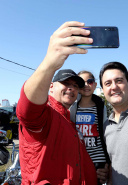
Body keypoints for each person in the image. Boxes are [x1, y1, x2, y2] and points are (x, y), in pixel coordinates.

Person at [16, 21, 98, 185]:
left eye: (75, 86)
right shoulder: (45, 115)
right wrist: (49, 63)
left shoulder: (68, 121)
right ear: (51, 86)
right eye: (66, 83)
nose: (71, 88)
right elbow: (27, 110)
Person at [70, 70, 110, 184]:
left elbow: (105, 133)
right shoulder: (72, 107)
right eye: (82, 82)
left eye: (90, 81)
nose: (86, 85)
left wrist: (107, 162)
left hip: (98, 160)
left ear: (95, 85)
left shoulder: (101, 106)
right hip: (78, 158)